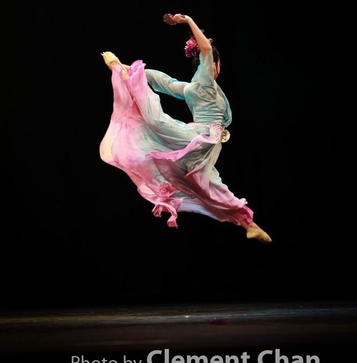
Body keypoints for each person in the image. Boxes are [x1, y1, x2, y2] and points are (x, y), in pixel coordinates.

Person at [100, 12, 272, 243]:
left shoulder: (191, 88)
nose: (215, 67)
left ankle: (249, 225)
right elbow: (206, 50)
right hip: (200, 137)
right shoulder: (206, 81)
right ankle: (246, 221)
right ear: (214, 66)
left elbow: (159, 80)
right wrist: (188, 21)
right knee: (158, 122)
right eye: (215, 64)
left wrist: (122, 66)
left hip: (207, 145)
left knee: (207, 185)